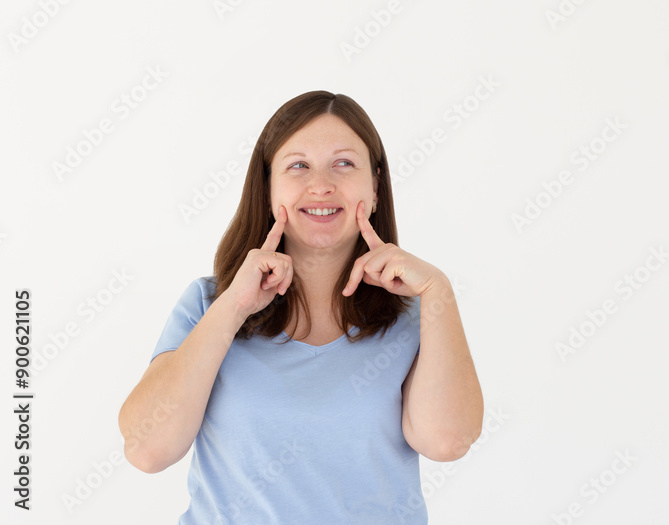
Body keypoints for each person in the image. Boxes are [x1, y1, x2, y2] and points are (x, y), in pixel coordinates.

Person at [118, 91, 484, 524]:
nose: (322, 185)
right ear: (268, 187)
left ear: (376, 186)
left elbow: (447, 442)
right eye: (298, 166)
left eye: (344, 164)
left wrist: (439, 291)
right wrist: (235, 305)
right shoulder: (208, 304)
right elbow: (147, 449)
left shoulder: (416, 315)